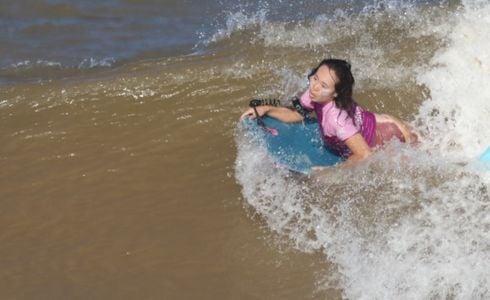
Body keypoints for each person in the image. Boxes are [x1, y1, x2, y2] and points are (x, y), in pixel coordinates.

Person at [240, 58, 418, 166]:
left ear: (335, 93)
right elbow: (297, 114)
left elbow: (364, 155)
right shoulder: (315, 94)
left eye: (323, 85)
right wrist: (267, 109)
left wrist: (333, 172)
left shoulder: (336, 119)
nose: (315, 86)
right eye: (315, 77)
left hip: (389, 135)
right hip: (381, 122)